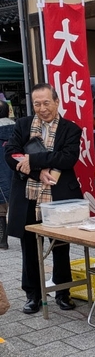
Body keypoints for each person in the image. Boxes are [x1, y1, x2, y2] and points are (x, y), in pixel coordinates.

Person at [5, 83, 82, 314]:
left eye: (46, 102)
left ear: (57, 102)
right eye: (37, 104)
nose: (42, 108)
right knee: (29, 246)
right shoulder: (23, 125)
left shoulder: (70, 128)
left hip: (57, 196)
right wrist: (39, 172)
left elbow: (67, 158)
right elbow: (11, 154)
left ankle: (63, 292)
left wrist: (34, 159)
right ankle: (32, 295)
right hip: (28, 194)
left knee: (60, 246)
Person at [0, 100, 15, 249]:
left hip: (1, 176)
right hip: (18, 175)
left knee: (0, 210)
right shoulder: (19, 128)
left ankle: (2, 240)